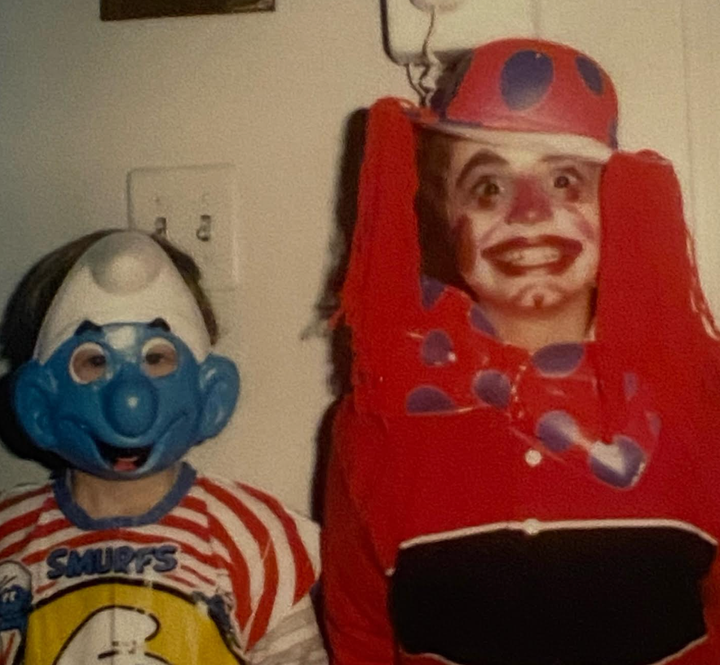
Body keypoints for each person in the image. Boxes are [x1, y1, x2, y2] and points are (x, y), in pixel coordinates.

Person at [322, 38, 720, 664]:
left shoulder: (703, 402)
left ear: (617, 203)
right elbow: (360, 633)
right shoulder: (373, 421)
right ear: (442, 214)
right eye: (486, 187)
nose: (531, 213)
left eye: (565, 179)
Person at [0, 229, 328, 664]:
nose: (130, 404)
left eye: (156, 359)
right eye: (95, 362)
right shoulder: (9, 536)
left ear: (209, 391)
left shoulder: (254, 538)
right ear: (39, 402)